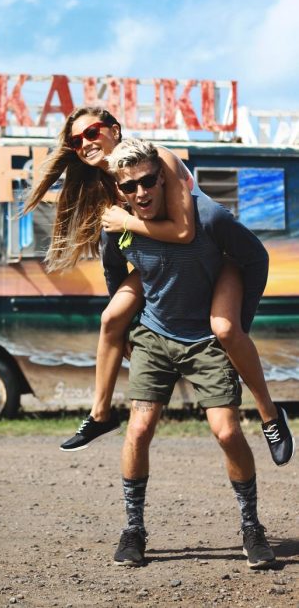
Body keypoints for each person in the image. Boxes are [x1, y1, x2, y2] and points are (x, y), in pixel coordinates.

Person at [25, 106, 294, 466]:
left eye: (92, 133)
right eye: (76, 141)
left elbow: (184, 233)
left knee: (226, 329)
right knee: (111, 318)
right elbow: (114, 260)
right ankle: (100, 414)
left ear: (114, 129)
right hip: (165, 263)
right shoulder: (107, 182)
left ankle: (270, 415)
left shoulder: (157, 158)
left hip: (214, 254)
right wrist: (132, 325)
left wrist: (125, 221)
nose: (85, 144)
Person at [103, 137, 285, 569]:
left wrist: (240, 321)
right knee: (139, 428)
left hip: (206, 339)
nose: (141, 193)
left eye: (148, 181)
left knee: (225, 432)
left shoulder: (208, 219)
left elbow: (254, 258)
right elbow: (114, 274)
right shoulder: (118, 229)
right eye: (129, 187)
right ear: (119, 192)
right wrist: (127, 325)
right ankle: (134, 531)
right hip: (155, 334)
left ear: (164, 178)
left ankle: (251, 527)